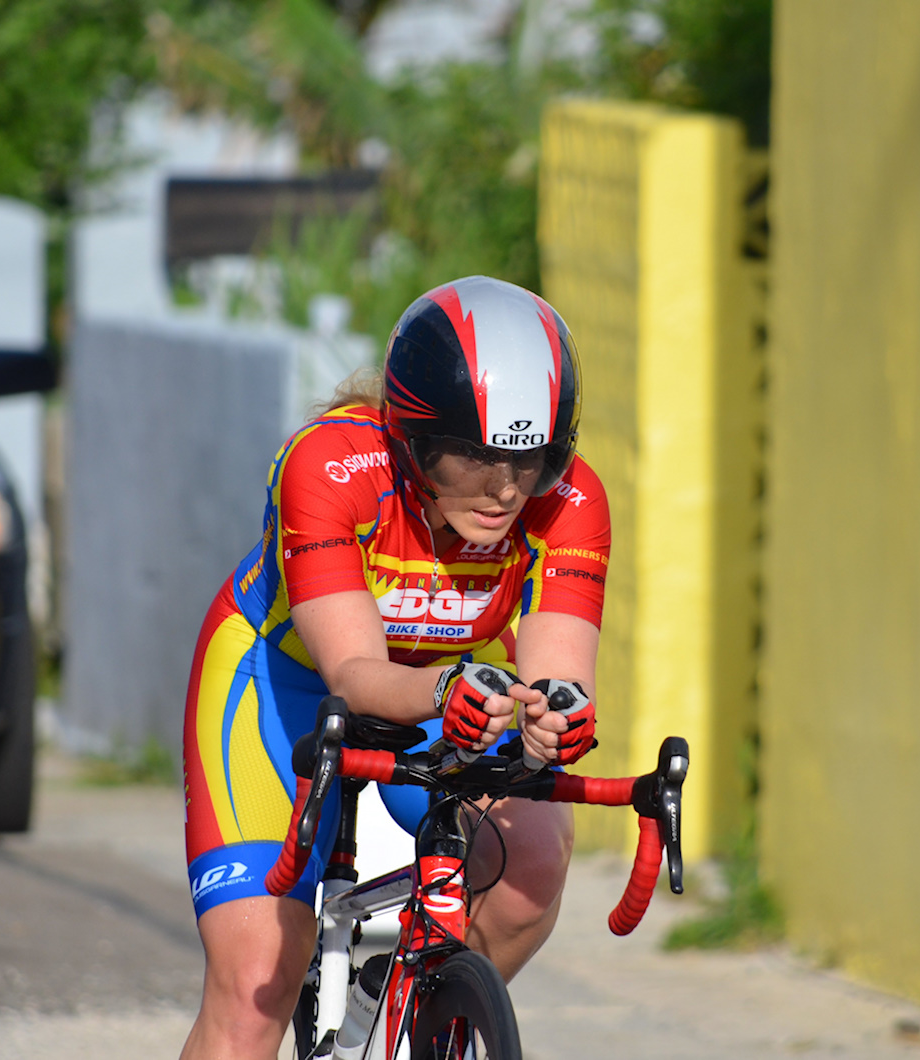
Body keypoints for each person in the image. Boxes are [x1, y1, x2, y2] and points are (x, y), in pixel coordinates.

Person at [179, 275, 611, 1059]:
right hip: (284, 682)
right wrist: (448, 690)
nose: (508, 488)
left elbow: (556, 670)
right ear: (415, 440)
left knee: (533, 860)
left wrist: (557, 717)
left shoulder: (571, 500)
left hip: (455, 680)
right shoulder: (330, 467)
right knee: (255, 987)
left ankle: (406, 1004)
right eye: (478, 456)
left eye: (532, 459)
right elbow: (351, 670)